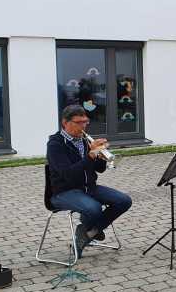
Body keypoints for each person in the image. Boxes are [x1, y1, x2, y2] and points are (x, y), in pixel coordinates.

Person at [46, 105, 132, 258]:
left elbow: (100, 169)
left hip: (89, 188)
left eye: (85, 122)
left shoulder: (85, 140)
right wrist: (90, 155)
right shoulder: (55, 144)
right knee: (94, 208)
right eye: (78, 123)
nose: (83, 126)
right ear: (65, 123)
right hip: (64, 192)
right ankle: (90, 232)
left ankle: (88, 233)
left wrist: (101, 156)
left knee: (124, 201)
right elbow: (68, 174)